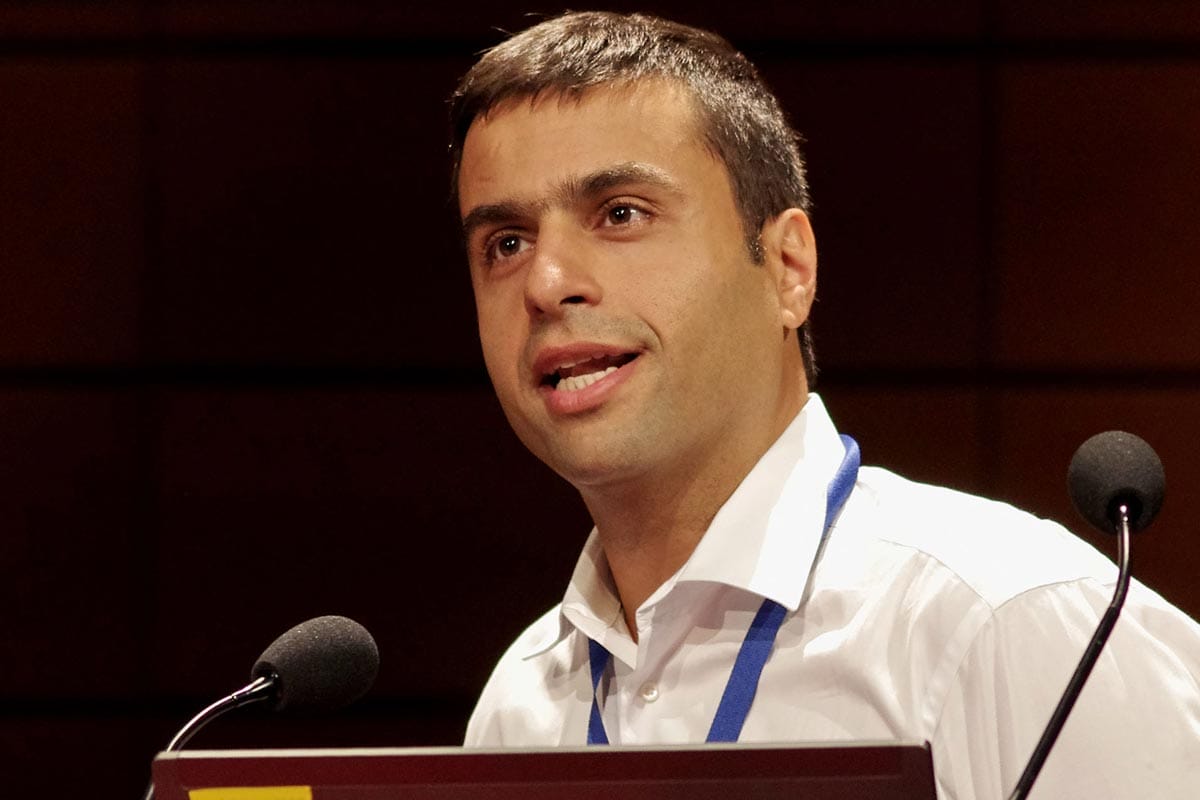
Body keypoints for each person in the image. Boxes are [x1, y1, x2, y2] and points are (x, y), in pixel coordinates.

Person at [448, 10, 1200, 799]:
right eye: (505, 242)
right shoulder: (522, 706)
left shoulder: (1010, 625)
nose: (544, 282)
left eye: (620, 214)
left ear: (787, 269)